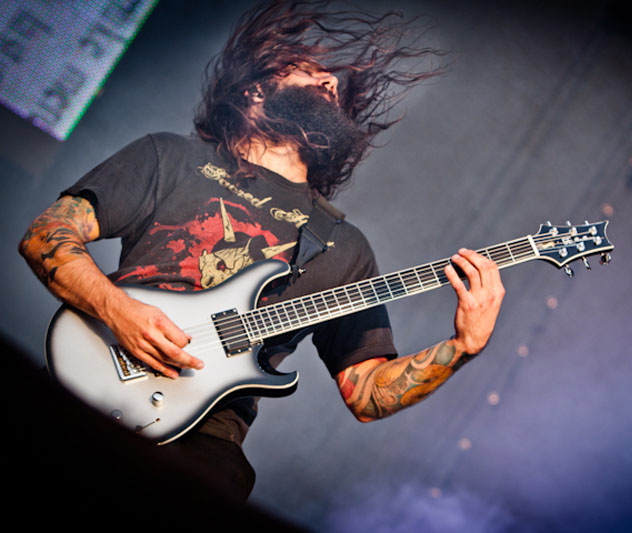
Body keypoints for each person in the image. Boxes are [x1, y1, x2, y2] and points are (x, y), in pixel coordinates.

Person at [18, 1, 505, 502]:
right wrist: (118, 310)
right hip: (88, 376)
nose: (331, 83)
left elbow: (366, 392)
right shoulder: (170, 156)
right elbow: (46, 235)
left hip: (203, 440)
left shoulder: (342, 246)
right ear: (255, 88)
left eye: (332, 80)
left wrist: (461, 347)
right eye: (311, 70)